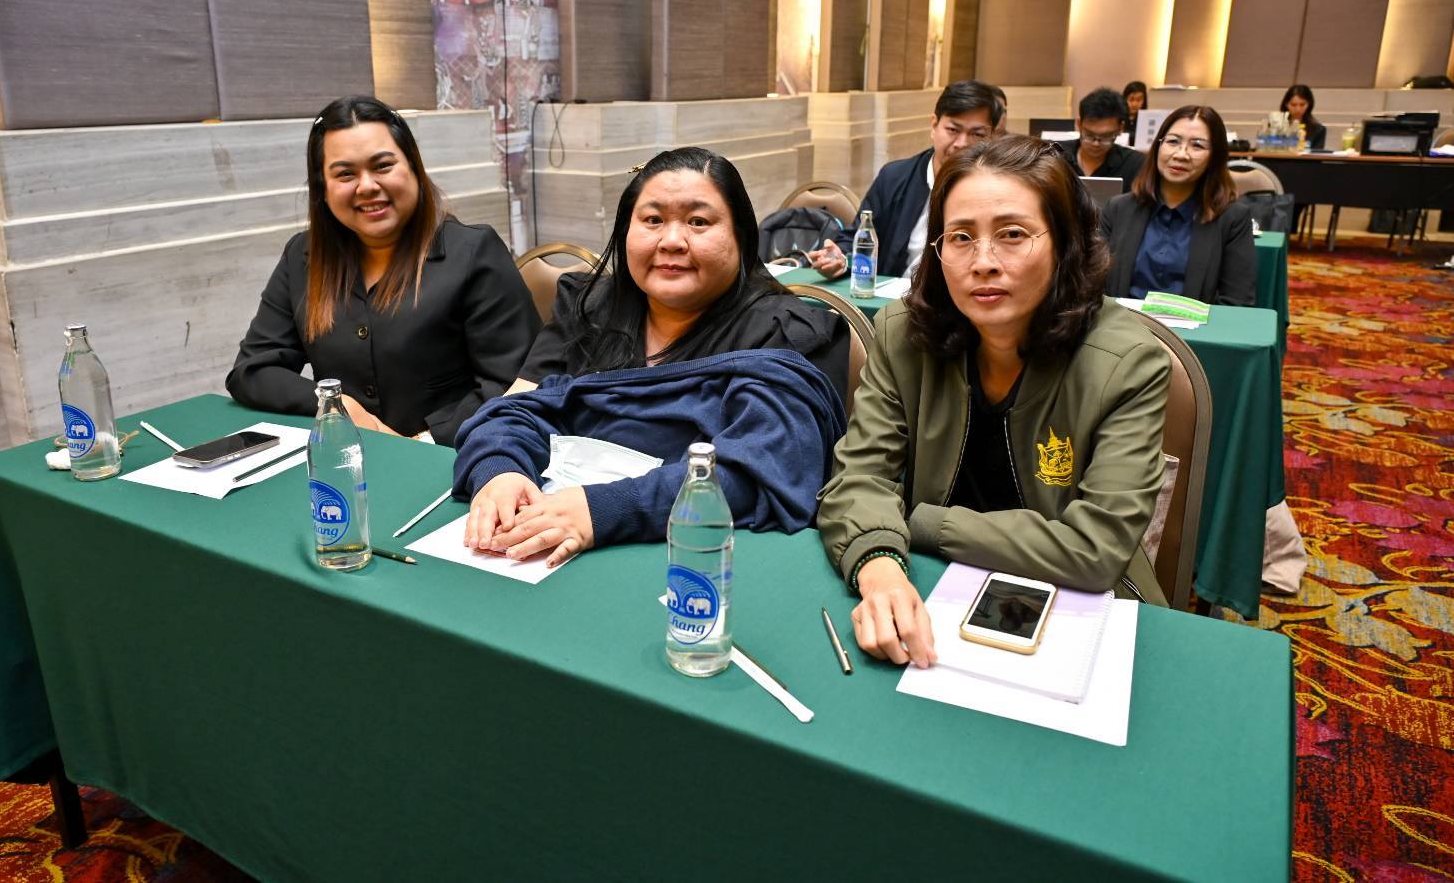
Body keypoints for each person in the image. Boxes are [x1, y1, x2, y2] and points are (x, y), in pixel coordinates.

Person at [817, 135, 1170, 667]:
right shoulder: (903, 333)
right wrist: (879, 562)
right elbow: (859, 477)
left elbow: (1094, 548)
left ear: (1066, 243)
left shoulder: (1128, 361)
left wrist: (922, 523)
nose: (983, 262)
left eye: (1012, 235)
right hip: (934, 588)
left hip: (1077, 609)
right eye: (960, 237)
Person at [456, 145, 850, 567]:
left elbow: (762, 472)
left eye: (698, 222)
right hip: (551, 544)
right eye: (653, 220)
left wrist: (603, 509)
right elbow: (515, 412)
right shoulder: (590, 308)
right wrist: (501, 471)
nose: (672, 241)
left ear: (741, 236)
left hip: (701, 559)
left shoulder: (786, 334)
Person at [226, 95, 541, 444]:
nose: (367, 186)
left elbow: (518, 383)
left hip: (457, 456)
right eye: (345, 174)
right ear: (323, 188)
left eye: (382, 166)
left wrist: (424, 440)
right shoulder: (302, 256)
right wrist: (335, 402)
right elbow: (252, 371)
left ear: (414, 167)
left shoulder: (474, 251)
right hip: (346, 457)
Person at [807, 80, 1003, 281]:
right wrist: (840, 259)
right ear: (934, 125)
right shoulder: (894, 178)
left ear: (992, 137)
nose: (962, 144)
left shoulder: (1000, 190)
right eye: (953, 130)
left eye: (977, 134)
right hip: (894, 294)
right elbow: (857, 239)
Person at [1100, 105, 1257, 306]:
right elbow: (1092, 286)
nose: (1181, 154)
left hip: (1196, 326)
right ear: (1158, 146)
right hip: (1122, 323)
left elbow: (1237, 302)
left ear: (1214, 157)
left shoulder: (1232, 218)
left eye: (1197, 145)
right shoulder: (1118, 209)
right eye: (1173, 141)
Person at [1057, 87, 1145, 188]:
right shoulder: (1056, 154)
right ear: (1079, 124)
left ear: (1120, 128)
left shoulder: (1134, 164)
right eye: (1089, 134)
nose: (1096, 143)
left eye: (1106, 136)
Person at [1281, 84, 1327, 150]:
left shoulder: (1318, 130)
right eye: (1293, 105)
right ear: (1286, 104)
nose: (1298, 109)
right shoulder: (1275, 127)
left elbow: (1317, 154)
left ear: (1309, 104)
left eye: (1302, 105)